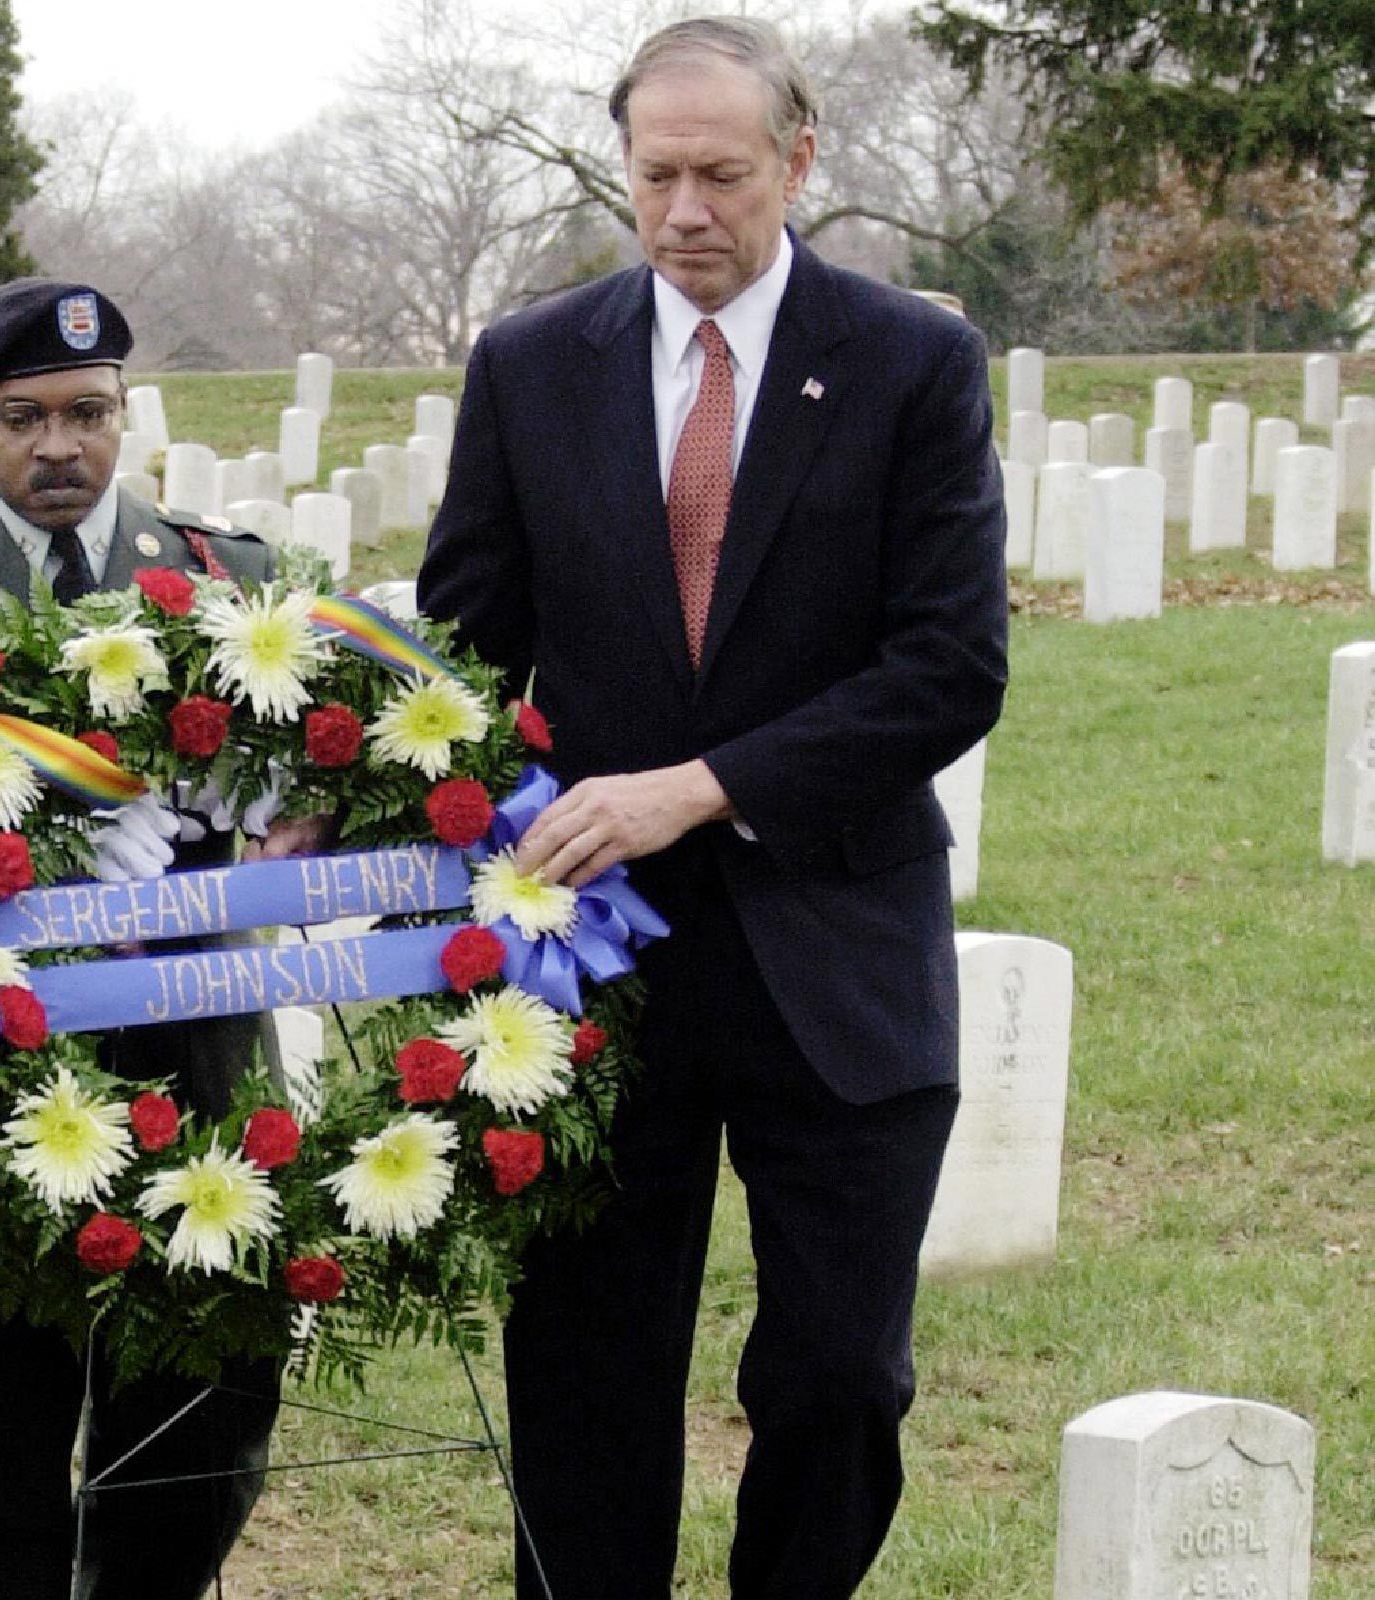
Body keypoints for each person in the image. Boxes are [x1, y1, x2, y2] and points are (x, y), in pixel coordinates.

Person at [417, 18, 1009, 1599]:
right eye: (656, 173)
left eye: (721, 174)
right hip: (602, 972)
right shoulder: (536, 367)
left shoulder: (910, 362)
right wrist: (364, 794)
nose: (686, 209)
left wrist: (700, 789)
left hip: (840, 950)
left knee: (838, 1380)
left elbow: (950, 668)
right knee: (588, 1381)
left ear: (798, 164)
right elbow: (464, 649)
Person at [0, 277, 285, 1600]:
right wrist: (57, 823)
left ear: (128, 415)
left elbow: (322, 762)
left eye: (89, 412)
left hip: (196, 1070)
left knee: (203, 1425)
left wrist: (286, 801)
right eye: (25, 417)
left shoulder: (221, 579)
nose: (60, 446)